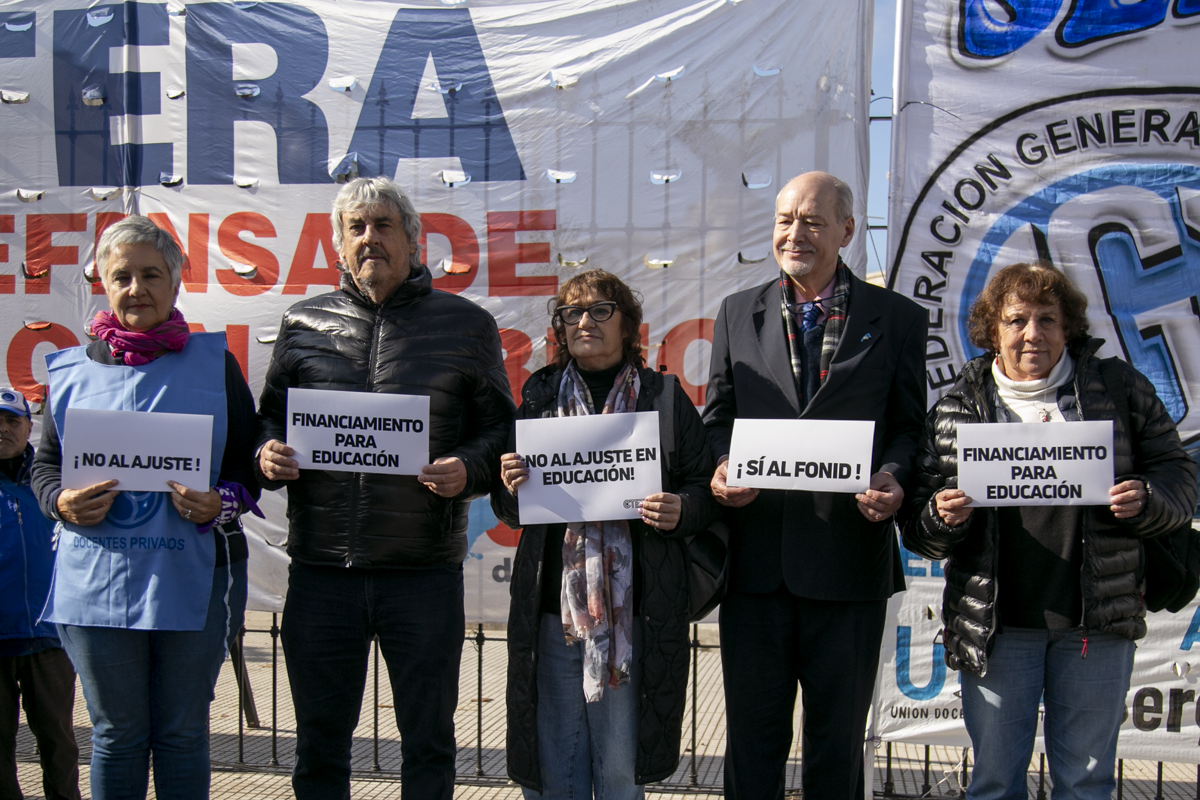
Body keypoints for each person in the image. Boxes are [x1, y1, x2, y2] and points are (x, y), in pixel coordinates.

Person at [255, 176, 514, 800]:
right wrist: (266, 452)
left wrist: (468, 468)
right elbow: (269, 418)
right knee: (319, 746)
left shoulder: (468, 325)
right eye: (356, 228)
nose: (369, 238)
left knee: (428, 744)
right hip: (321, 571)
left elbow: (501, 430)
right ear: (339, 245)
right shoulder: (302, 322)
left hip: (421, 573)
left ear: (413, 241)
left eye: (383, 225)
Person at [902, 261, 1197, 800]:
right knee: (994, 784)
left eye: (1047, 319)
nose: (1032, 333)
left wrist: (1148, 498)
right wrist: (940, 517)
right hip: (996, 629)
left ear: (1068, 329)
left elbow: (1179, 476)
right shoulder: (955, 411)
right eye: (1016, 320)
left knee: (1085, 785)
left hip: (1095, 627)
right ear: (993, 330)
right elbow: (919, 529)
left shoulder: (1119, 389)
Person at [702, 171, 927, 799]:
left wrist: (893, 476)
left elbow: (910, 426)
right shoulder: (735, 313)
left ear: (847, 231)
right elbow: (718, 416)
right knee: (752, 746)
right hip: (757, 570)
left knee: (836, 749)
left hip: (849, 564)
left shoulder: (898, 319)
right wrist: (722, 465)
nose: (794, 233)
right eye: (785, 220)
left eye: (813, 220)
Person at [29, 215, 261, 800]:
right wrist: (60, 501)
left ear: (176, 281)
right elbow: (45, 466)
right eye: (122, 277)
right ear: (103, 285)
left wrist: (221, 501)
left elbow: (249, 464)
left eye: (151, 275)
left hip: (196, 576)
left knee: (181, 734)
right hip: (97, 580)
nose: (137, 289)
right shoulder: (70, 371)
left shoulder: (217, 366)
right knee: (117, 734)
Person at [495, 270, 718, 798]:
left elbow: (704, 488)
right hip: (554, 618)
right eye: (572, 313)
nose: (584, 322)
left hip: (633, 619)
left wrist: (682, 509)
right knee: (555, 769)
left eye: (600, 310)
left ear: (628, 325)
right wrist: (509, 485)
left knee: (619, 772)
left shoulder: (663, 399)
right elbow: (511, 511)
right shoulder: (539, 398)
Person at [0, 388, 80, 800]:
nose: (2, 429)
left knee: (59, 744)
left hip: (50, 636)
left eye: (11, 421)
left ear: (28, 426)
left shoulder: (53, 481)